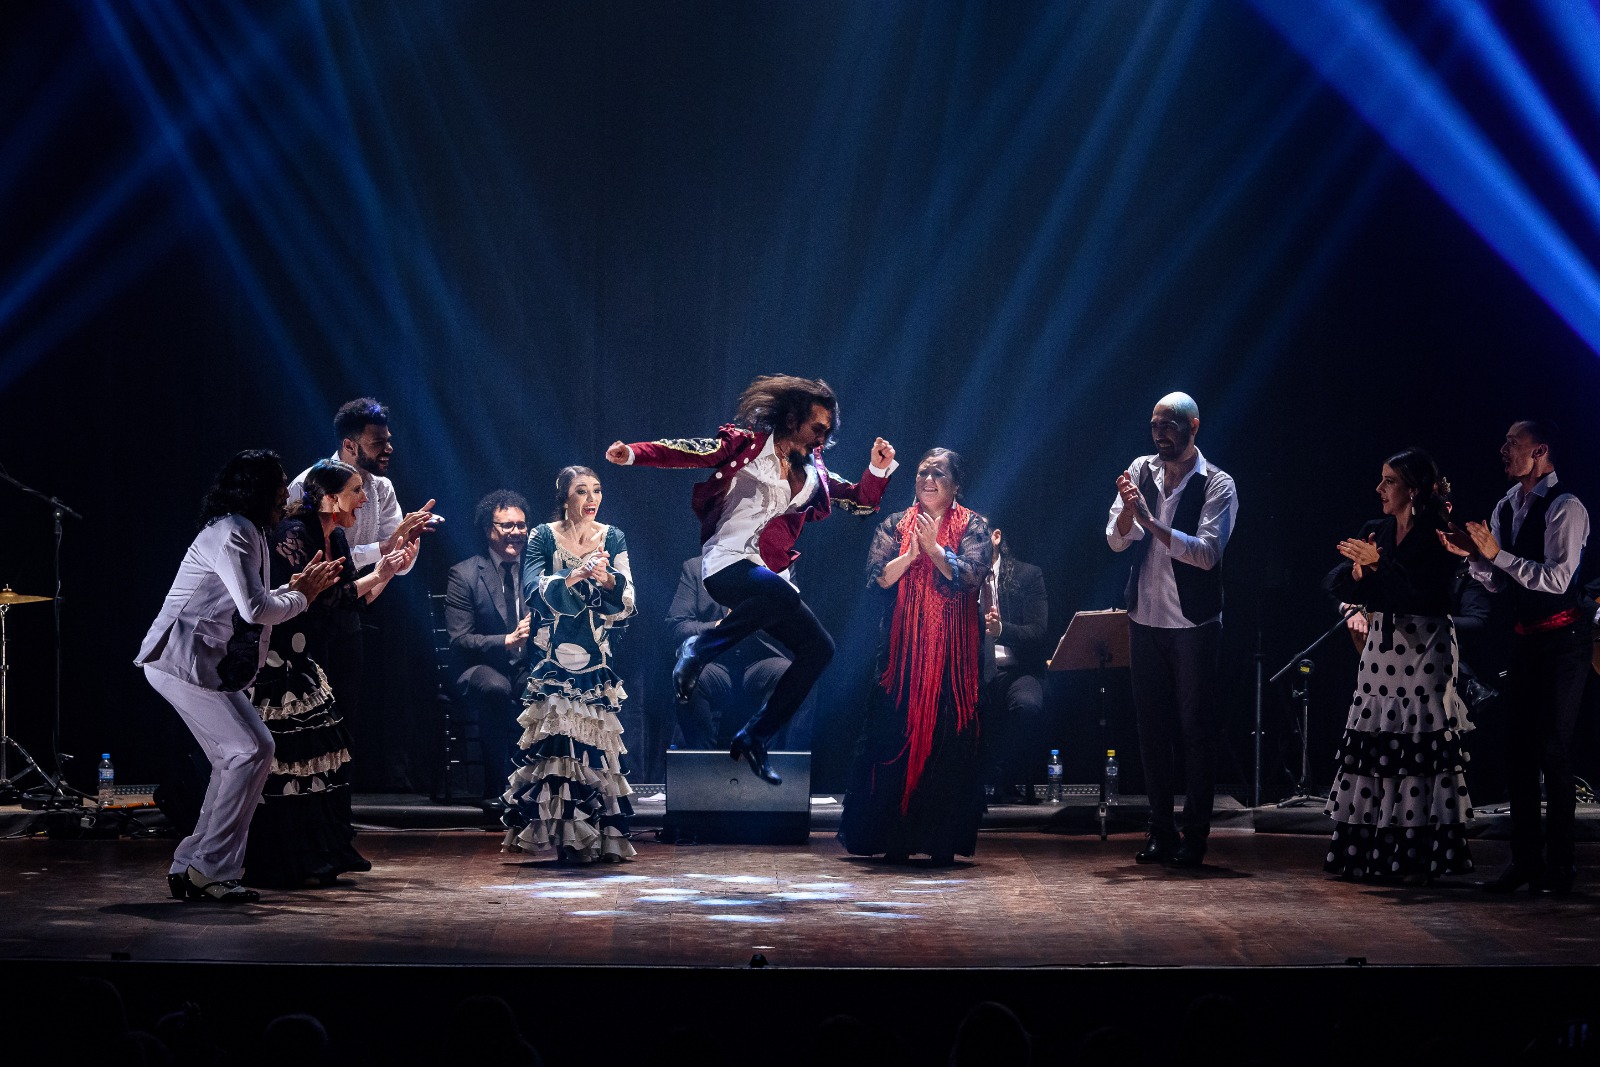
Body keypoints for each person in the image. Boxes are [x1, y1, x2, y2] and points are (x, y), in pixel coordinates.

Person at [606, 374, 896, 784]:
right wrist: (633, 453)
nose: (822, 439)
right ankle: (699, 646)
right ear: (792, 418)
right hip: (726, 562)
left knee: (820, 649)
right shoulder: (746, 446)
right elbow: (689, 451)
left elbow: (862, 503)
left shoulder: (814, 472)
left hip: (768, 578)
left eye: (828, 433)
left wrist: (876, 471)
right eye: (817, 428)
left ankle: (756, 736)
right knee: (777, 593)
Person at [135, 450, 342, 903]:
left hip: (195, 663)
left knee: (245, 753)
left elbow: (255, 599)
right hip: (180, 661)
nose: (288, 492)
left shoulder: (246, 531)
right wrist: (302, 597)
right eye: (281, 483)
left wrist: (295, 589)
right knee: (250, 750)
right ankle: (209, 869)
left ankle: (195, 864)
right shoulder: (234, 532)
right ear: (259, 490)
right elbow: (254, 610)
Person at [244, 460, 418, 888]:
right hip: (282, 654)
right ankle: (288, 854)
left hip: (315, 651)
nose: (364, 499)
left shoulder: (336, 534)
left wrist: (384, 573)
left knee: (326, 751)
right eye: (356, 490)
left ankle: (330, 845)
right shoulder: (294, 534)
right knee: (290, 756)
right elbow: (319, 598)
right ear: (329, 496)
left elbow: (346, 599)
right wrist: (376, 571)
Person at [1442, 420, 1590, 894]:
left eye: (1513, 443)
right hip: (1526, 638)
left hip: (1564, 641)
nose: (1503, 449)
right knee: (1518, 751)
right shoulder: (1508, 504)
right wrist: (1472, 557)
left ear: (1540, 451)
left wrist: (1496, 556)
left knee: (1552, 748)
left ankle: (1561, 866)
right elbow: (1500, 582)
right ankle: (1525, 862)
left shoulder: (1566, 507)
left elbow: (1556, 580)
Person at [1320, 448, 1474, 882]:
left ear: (1414, 489)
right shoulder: (1378, 530)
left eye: (1389, 481)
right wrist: (1357, 574)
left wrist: (1379, 566)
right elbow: (1334, 580)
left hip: (1424, 648)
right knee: (1377, 744)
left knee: (1417, 747)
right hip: (1380, 653)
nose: (1380, 489)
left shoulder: (1440, 533)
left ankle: (1414, 855)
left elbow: (1423, 594)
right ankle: (1365, 851)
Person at [839, 448, 991, 865]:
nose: (927, 479)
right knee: (891, 738)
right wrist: (911, 553)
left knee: (947, 746)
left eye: (938, 474)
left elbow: (973, 575)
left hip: (951, 665)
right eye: (923, 472)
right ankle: (894, 838)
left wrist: (938, 551)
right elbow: (876, 580)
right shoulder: (893, 524)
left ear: (956, 484)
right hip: (901, 662)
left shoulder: (974, 525)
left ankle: (941, 841)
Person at [1107, 391, 1238, 868]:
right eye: (1155, 424)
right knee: (1151, 731)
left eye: (1170, 425)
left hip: (1193, 625)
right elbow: (1117, 541)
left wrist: (1149, 519)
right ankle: (1159, 829)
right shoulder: (1140, 470)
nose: (1160, 433)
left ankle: (1195, 836)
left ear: (1194, 426)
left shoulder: (1218, 484)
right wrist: (1129, 511)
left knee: (1195, 732)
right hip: (1145, 618)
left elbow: (1205, 553)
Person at [288, 397, 438, 790]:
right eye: (378, 443)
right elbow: (323, 565)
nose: (389, 449)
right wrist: (386, 550)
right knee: (307, 716)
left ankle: (336, 802)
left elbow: (390, 556)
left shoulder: (380, 488)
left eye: (388, 441)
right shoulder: (310, 485)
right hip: (309, 615)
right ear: (350, 446)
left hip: (352, 603)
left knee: (346, 713)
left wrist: (402, 551)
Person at [502, 466, 637, 863]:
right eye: (582, 491)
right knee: (562, 745)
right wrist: (573, 575)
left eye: (597, 490)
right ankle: (569, 840)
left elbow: (628, 598)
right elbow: (532, 589)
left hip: (596, 654)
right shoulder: (543, 536)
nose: (591, 498)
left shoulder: (613, 537)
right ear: (565, 498)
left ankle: (600, 837)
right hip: (553, 656)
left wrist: (609, 581)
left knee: (596, 746)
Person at [663, 554, 812, 751]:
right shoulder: (695, 568)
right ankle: (702, 766)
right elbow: (677, 626)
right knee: (688, 677)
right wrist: (720, 626)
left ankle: (775, 762)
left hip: (759, 661)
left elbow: (793, 622)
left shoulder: (777, 567)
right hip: (713, 663)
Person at [445, 490, 534, 798]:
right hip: (478, 668)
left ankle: (539, 786)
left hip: (525, 665)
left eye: (521, 525)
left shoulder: (537, 571)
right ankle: (498, 788)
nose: (516, 533)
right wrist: (506, 641)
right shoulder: (465, 574)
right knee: (497, 689)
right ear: (488, 529)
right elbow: (460, 639)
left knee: (547, 685)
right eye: (506, 526)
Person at [979, 526, 1050, 804]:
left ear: (996, 537)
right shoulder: (959, 577)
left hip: (1018, 669)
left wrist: (1000, 630)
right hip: (974, 669)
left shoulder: (1027, 575)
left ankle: (1005, 777)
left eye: (979, 535)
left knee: (1027, 707)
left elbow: (1038, 632)